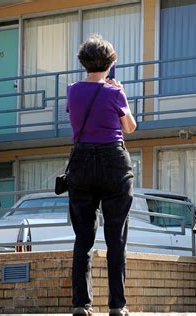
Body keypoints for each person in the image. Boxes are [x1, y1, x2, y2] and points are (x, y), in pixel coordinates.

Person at [67, 34, 136, 316]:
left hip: (81, 160)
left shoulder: (72, 90)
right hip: (113, 159)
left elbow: (76, 117)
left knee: (83, 237)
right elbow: (130, 127)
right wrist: (121, 93)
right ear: (110, 62)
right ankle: (117, 305)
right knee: (116, 236)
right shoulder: (115, 92)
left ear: (83, 62)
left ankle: (81, 304)